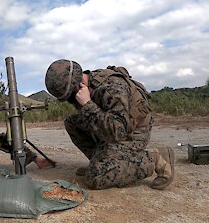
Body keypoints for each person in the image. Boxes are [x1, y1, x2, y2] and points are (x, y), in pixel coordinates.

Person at [45, 59, 175, 190]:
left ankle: (156, 159)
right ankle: (101, 162)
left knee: (95, 178)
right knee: (72, 122)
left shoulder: (112, 87)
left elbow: (117, 132)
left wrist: (87, 104)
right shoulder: (89, 84)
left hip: (133, 132)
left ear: (78, 85)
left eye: (69, 96)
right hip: (113, 128)